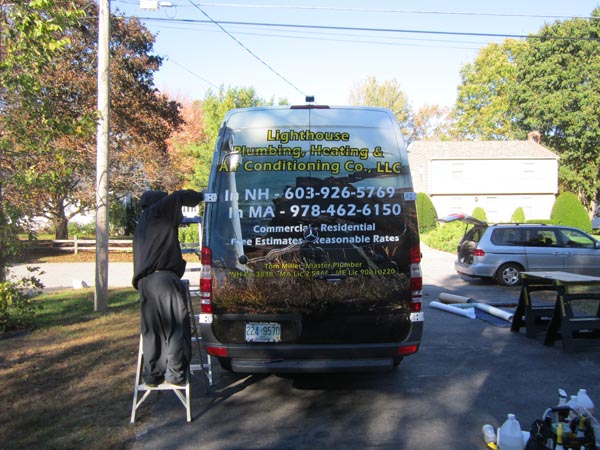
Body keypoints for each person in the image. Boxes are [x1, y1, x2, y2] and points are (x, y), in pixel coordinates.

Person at [132, 189, 204, 387]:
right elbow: (179, 196)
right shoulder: (158, 210)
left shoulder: (144, 223)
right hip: (163, 279)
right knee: (176, 327)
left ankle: (152, 375)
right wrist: (202, 195)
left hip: (145, 283)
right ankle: (175, 374)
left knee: (152, 331)